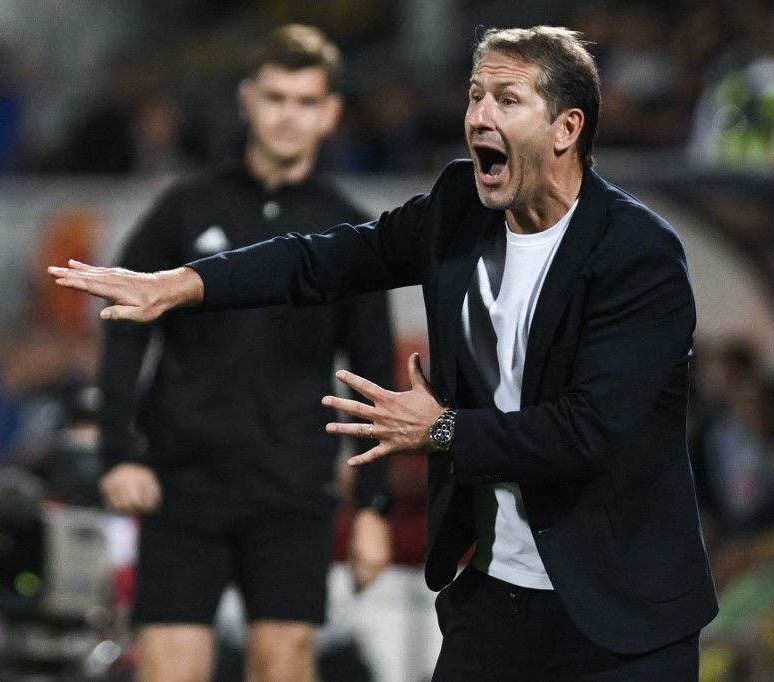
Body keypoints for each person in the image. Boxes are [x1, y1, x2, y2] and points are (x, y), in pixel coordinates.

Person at [51, 25, 719, 680]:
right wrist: (187, 283)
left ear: (567, 129)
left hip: (620, 615)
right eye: (474, 96)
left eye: (507, 100)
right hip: (498, 598)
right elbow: (323, 259)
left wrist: (442, 432)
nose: (480, 116)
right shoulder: (460, 206)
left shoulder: (640, 256)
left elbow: (590, 430)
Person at [89, 25, 395, 682]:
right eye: (277, 96)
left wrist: (372, 508)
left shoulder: (350, 232)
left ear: (331, 113)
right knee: (169, 669)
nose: (290, 115)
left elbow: (374, 376)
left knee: (282, 664)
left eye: (307, 101)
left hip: (292, 490)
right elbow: (123, 325)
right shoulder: (184, 206)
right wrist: (117, 454)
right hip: (183, 483)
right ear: (248, 100)